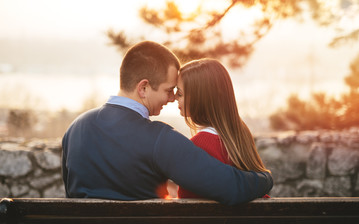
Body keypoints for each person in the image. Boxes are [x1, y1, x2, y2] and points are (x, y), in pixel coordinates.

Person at [62, 41, 273, 205]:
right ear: (143, 88)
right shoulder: (159, 139)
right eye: (168, 90)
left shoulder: (75, 129)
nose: (172, 99)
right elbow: (230, 187)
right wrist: (265, 178)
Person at [175, 58, 271, 198]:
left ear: (200, 97)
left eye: (180, 93)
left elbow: (188, 201)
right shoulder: (240, 133)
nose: (175, 98)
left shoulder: (200, 144)